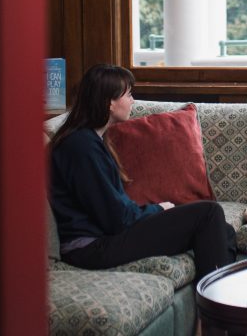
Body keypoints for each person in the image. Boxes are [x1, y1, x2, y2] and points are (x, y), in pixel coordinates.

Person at [49, 64, 235, 280]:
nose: (133, 101)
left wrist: (155, 211)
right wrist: (157, 209)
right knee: (209, 213)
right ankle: (215, 309)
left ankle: (219, 301)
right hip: (90, 248)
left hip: (105, 236)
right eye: (128, 94)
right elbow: (116, 218)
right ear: (109, 102)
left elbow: (114, 209)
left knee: (224, 229)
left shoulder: (92, 140)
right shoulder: (81, 146)